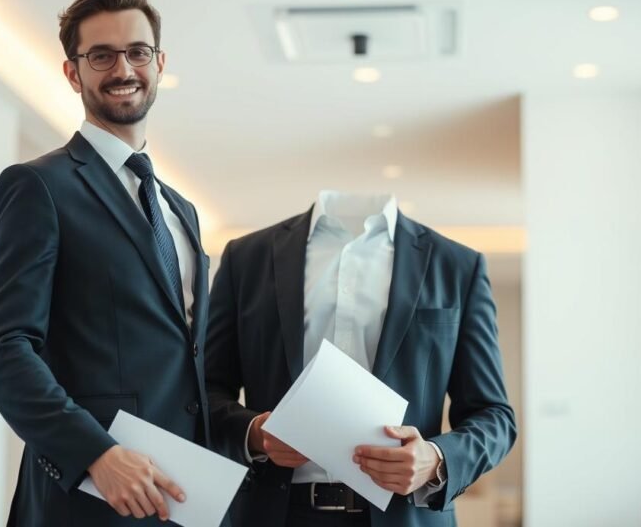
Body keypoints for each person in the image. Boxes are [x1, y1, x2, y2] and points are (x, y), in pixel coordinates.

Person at [0, 0, 211, 527]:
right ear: (73, 72)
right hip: (84, 500)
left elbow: (189, 363)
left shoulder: (183, 212)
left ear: (160, 62)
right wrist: (96, 453)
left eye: (137, 52)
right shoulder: (38, 186)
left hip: (180, 500)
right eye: (101, 55)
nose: (123, 68)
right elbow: (3, 350)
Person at [206, 191, 517, 526]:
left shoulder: (457, 265)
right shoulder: (247, 259)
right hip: (275, 513)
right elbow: (204, 391)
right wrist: (255, 434)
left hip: (405, 515)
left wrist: (436, 459)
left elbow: (494, 415)